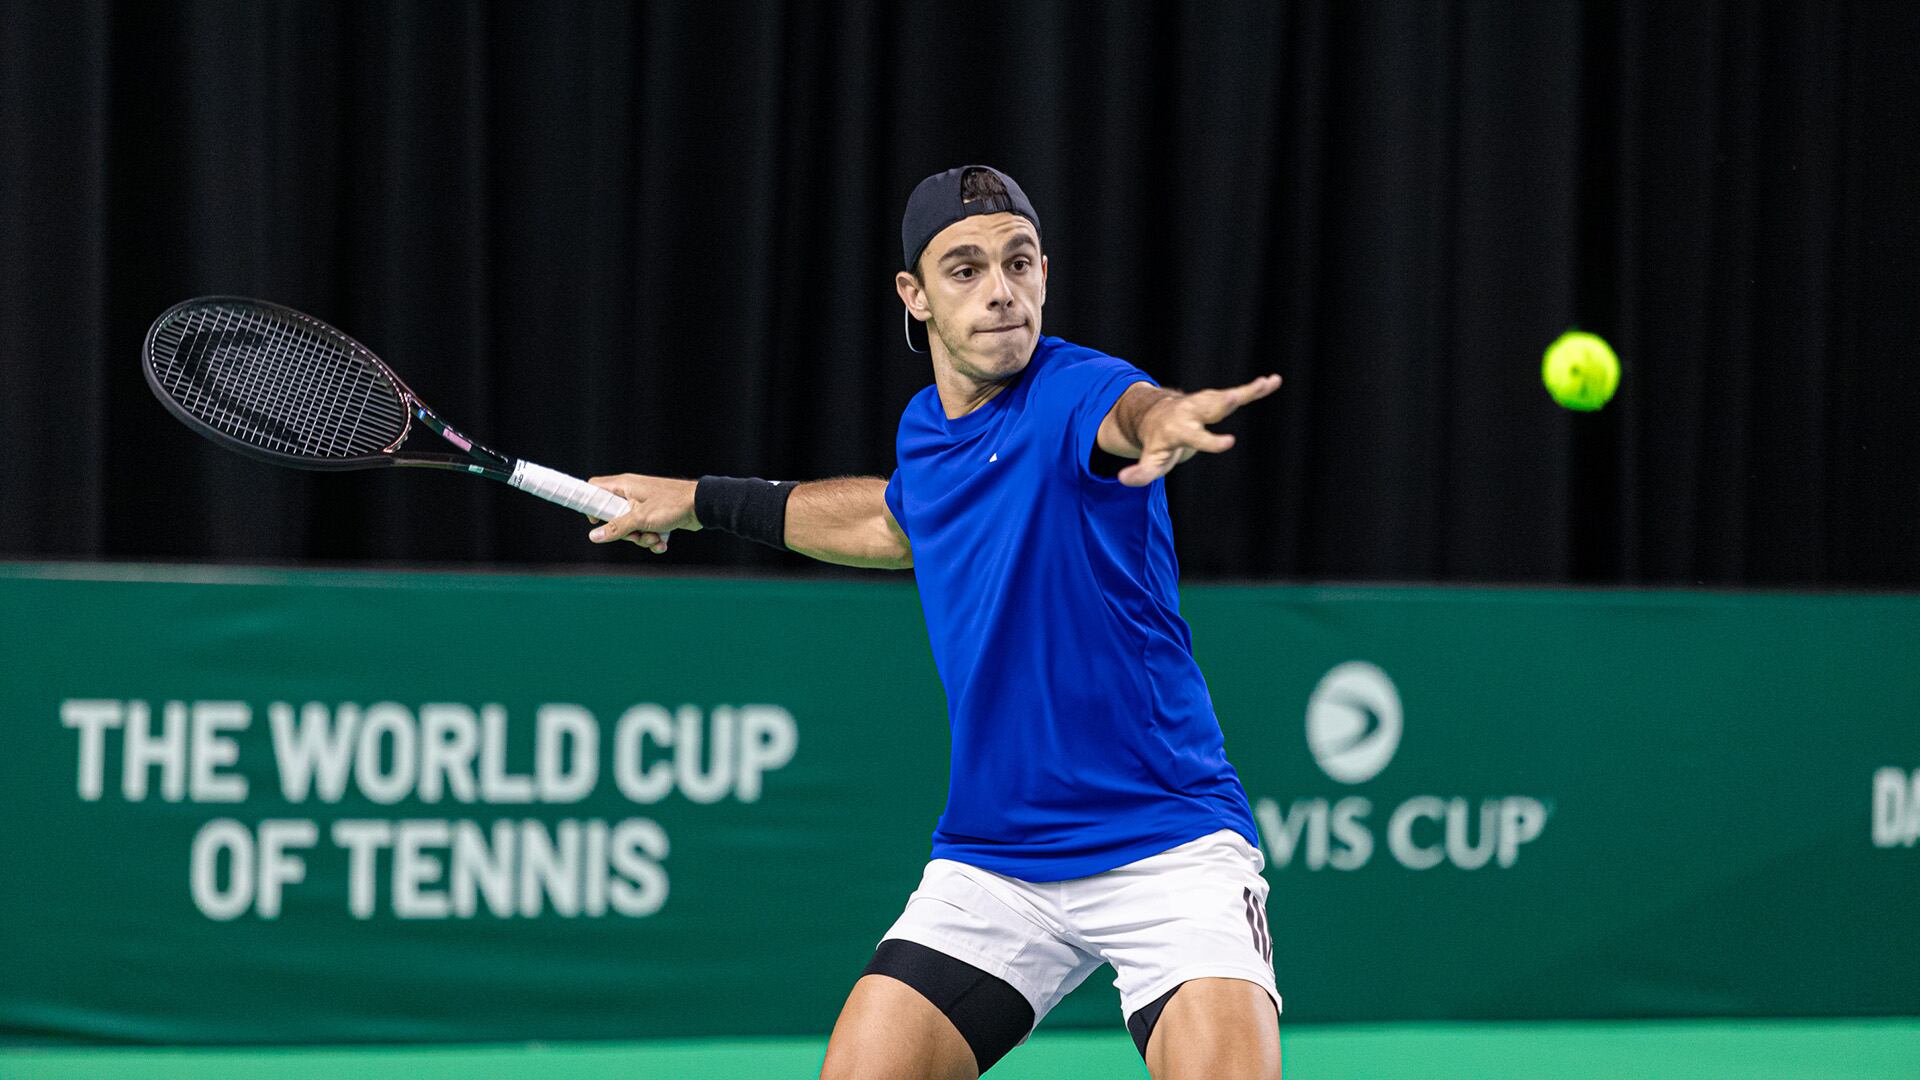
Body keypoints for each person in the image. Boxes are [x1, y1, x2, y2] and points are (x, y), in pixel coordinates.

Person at [587, 165, 1283, 1080]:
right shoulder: (927, 432)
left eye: (1019, 262)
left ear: (1044, 274)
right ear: (914, 296)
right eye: (965, 269)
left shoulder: (1078, 388)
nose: (1001, 291)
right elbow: (893, 522)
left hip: (1166, 844)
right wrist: (693, 501)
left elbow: (1128, 413)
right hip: (998, 860)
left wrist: (1166, 416)